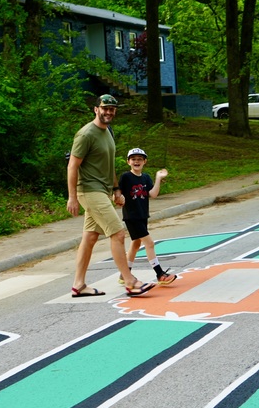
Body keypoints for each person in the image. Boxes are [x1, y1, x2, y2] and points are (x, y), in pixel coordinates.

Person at [67, 95, 156, 297]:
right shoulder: (86, 134)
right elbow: (72, 165)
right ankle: (130, 281)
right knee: (118, 233)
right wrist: (72, 197)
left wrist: (116, 189)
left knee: (89, 238)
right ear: (96, 109)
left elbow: (108, 165)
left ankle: (78, 285)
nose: (108, 112)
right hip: (89, 191)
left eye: (112, 109)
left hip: (102, 191)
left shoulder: (108, 132)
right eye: (105, 108)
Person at [117, 148, 178, 286]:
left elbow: (153, 194)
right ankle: (160, 274)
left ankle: (124, 274)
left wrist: (158, 178)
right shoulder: (126, 177)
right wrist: (118, 197)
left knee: (136, 243)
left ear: (144, 161)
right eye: (133, 159)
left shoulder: (146, 178)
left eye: (139, 159)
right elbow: (118, 192)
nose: (136, 161)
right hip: (132, 216)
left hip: (143, 215)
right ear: (128, 162)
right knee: (149, 243)